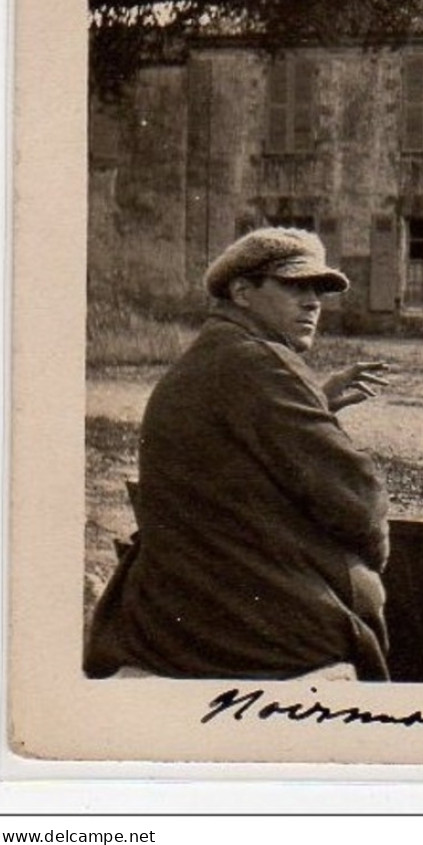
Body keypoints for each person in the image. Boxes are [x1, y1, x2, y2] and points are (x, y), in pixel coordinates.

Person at [85, 228, 391, 680]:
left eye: (318, 290)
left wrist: (314, 402)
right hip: (252, 629)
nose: (313, 302)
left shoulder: (205, 359)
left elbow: (232, 458)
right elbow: (361, 503)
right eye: (293, 285)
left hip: (173, 617)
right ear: (242, 291)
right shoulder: (262, 364)